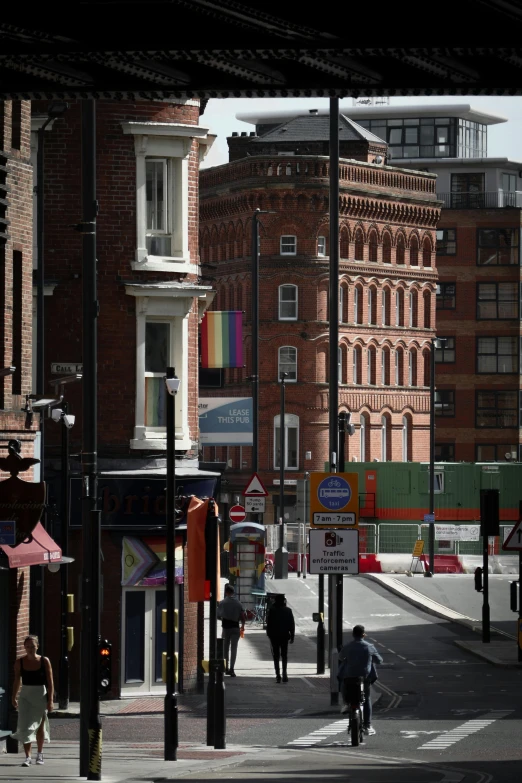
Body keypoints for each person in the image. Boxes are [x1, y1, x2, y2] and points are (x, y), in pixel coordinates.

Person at [11, 635, 54, 767]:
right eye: (28, 646)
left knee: (40, 725)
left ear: (37, 647)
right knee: (25, 726)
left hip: (40, 694)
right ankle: (27, 757)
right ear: (24, 647)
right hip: (25, 696)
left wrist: (50, 699)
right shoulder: (20, 662)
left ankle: (40, 754)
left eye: (33, 646)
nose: (30, 649)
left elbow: (50, 681)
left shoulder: (44, 661)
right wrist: (14, 696)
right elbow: (17, 680)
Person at [338, 624, 383, 736]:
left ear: (353, 635)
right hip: (364, 678)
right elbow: (379, 661)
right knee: (366, 698)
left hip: (349, 677)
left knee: (344, 682)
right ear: (363, 635)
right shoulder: (369, 646)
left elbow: (340, 657)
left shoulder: (348, 646)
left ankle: (346, 703)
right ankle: (367, 725)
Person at [217, 584, 246, 677]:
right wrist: (243, 625)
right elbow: (242, 616)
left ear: (226, 592)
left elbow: (218, 615)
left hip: (225, 628)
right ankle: (232, 669)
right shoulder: (238, 603)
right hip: (235, 627)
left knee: (225, 648)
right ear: (233, 592)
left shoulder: (222, 603)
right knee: (234, 649)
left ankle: (226, 667)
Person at [266, 594, 295, 683]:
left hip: (274, 636)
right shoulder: (288, 611)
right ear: (284, 601)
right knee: (284, 656)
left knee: (276, 656)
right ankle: (284, 673)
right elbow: (292, 624)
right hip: (284, 636)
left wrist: (269, 635)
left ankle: (278, 675)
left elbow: (269, 624)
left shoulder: (272, 610)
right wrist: (292, 636)